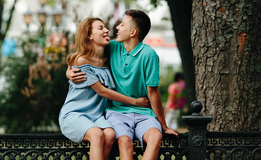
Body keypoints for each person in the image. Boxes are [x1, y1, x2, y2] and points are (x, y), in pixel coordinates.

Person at [67, 10, 179, 160]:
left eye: (122, 24)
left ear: (133, 32)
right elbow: (86, 56)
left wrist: (163, 126)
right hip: (117, 112)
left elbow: (153, 93)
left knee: (155, 137)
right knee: (125, 141)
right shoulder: (112, 47)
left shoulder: (149, 55)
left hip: (144, 113)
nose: (117, 28)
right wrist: (69, 71)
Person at [58, 17, 150, 160]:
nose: (107, 30)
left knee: (110, 134)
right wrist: (135, 102)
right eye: (100, 28)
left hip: (96, 116)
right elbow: (102, 91)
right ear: (89, 35)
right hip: (74, 114)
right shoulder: (82, 60)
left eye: (105, 27)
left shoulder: (109, 56)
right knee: (96, 134)